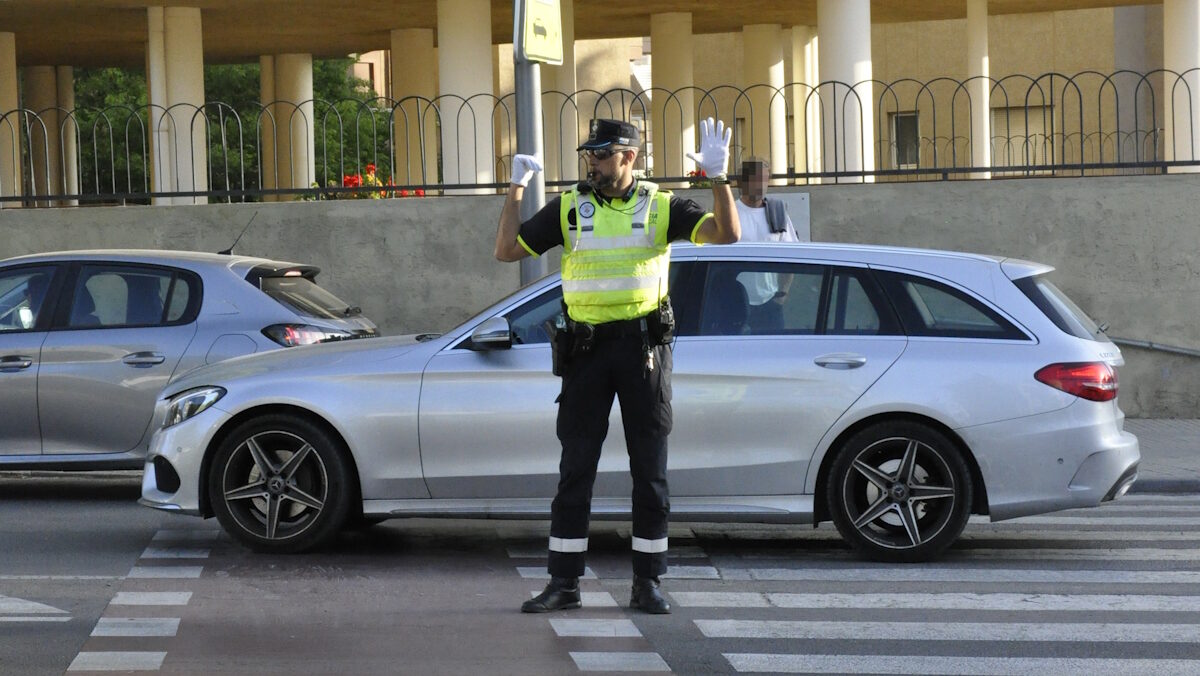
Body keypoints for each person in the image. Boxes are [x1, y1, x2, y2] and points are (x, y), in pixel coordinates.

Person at [495, 117, 740, 615]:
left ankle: (647, 584)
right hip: (584, 354)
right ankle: (563, 584)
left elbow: (726, 235)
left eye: (602, 154)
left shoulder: (661, 206)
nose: (592, 162)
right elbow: (505, 251)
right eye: (589, 154)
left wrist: (719, 179)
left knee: (649, 472)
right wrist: (516, 188)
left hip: (641, 351)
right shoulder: (570, 207)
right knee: (575, 471)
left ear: (628, 157)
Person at [734, 158, 802, 332]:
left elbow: (792, 256)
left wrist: (782, 294)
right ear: (741, 182)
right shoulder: (731, 214)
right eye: (754, 179)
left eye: (764, 179)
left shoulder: (777, 213)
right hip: (735, 304)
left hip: (769, 303)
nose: (760, 184)